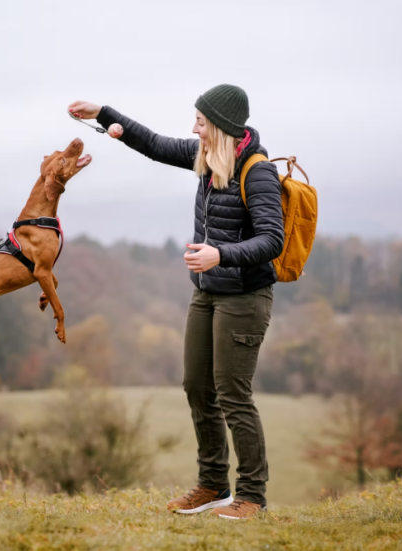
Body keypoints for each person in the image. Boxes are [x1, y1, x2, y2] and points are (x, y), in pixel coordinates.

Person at [68, 84, 283, 519]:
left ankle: (252, 496)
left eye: (201, 122)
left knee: (233, 394)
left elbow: (271, 239)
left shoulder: (257, 172)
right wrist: (102, 112)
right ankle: (212, 485)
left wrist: (220, 254)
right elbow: (153, 143)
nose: (194, 129)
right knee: (197, 387)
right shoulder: (207, 157)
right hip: (206, 293)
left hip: (245, 297)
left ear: (220, 125)